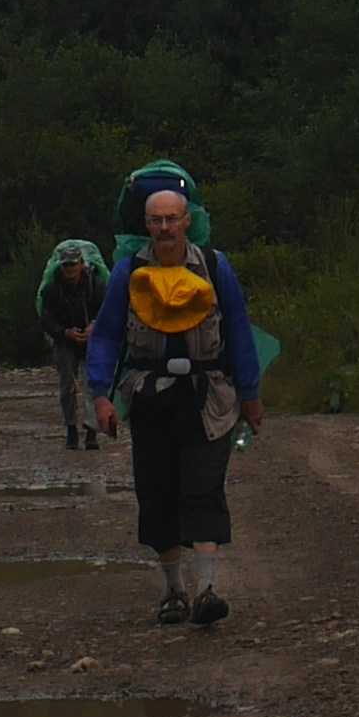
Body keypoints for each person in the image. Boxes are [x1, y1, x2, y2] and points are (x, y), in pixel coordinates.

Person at [83, 182, 262, 625]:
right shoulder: (127, 273)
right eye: (156, 220)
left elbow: (239, 331)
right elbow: (106, 335)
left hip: (210, 398)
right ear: (146, 226)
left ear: (187, 222)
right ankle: (173, 592)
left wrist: (251, 395)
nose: (165, 227)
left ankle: (207, 591)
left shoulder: (216, 268)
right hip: (149, 399)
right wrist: (100, 395)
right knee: (158, 493)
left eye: (172, 219)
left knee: (203, 487)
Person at [35, 238, 108, 451]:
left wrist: (94, 326)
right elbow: (46, 319)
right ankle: (71, 430)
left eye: (73, 264)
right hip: (64, 342)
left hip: (91, 343)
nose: (69, 269)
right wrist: (66, 333)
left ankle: (91, 433)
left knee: (91, 385)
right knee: (68, 387)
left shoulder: (96, 285)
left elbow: (106, 310)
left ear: (81, 264)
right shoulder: (51, 289)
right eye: (66, 265)